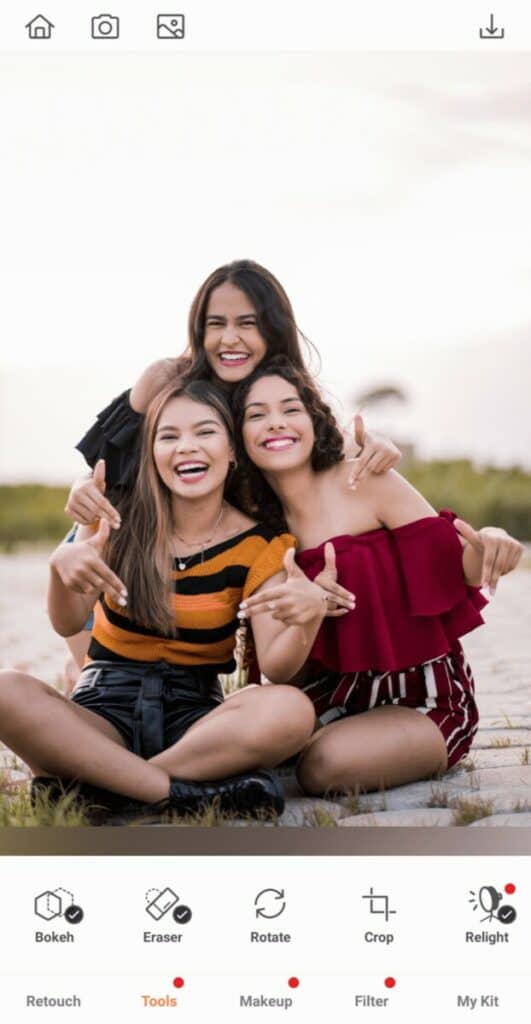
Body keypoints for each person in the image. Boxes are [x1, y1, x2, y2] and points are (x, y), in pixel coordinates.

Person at [0, 381, 334, 821]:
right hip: (102, 710)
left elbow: (277, 667)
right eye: (169, 436)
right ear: (151, 454)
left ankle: (108, 787)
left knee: (291, 710)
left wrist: (306, 619)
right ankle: (172, 793)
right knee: (6, 688)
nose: (187, 448)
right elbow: (67, 622)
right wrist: (60, 569)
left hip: (195, 724)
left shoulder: (260, 545)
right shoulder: (115, 517)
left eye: (205, 432)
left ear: (233, 450)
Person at [62, 261, 401, 677]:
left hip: (230, 537)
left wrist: (375, 444)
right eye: (215, 324)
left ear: (273, 329)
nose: (229, 338)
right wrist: (81, 486)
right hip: (139, 529)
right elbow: (107, 463)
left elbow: (321, 444)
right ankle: (88, 675)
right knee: (86, 559)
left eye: (248, 323)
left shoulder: (281, 385)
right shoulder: (167, 378)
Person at [232, 357, 524, 795]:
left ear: (314, 420)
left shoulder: (364, 479)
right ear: (239, 438)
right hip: (331, 700)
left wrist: (491, 542)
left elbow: (457, 564)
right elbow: (280, 671)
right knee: (239, 726)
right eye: (257, 415)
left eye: (290, 409)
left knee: (322, 766)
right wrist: (308, 612)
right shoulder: (256, 530)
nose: (276, 423)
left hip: (424, 699)